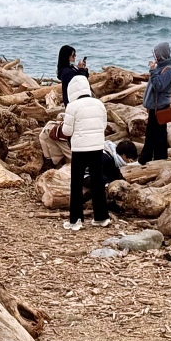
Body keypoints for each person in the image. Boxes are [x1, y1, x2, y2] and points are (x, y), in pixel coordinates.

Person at [61, 75, 109, 231]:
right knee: (98, 181)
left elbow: (67, 131)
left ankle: (76, 220)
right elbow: (103, 125)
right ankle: (101, 217)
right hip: (96, 147)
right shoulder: (99, 103)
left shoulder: (72, 107)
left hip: (80, 149)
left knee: (76, 183)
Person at [141, 42, 171, 163]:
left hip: (160, 108)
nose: (154, 56)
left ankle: (157, 159)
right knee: (151, 134)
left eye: (156, 54)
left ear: (161, 55)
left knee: (158, 136)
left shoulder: (167, 70)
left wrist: (152, 71)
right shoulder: (160, 68)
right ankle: (149, 158)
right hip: (154, 107)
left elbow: (159, 86)